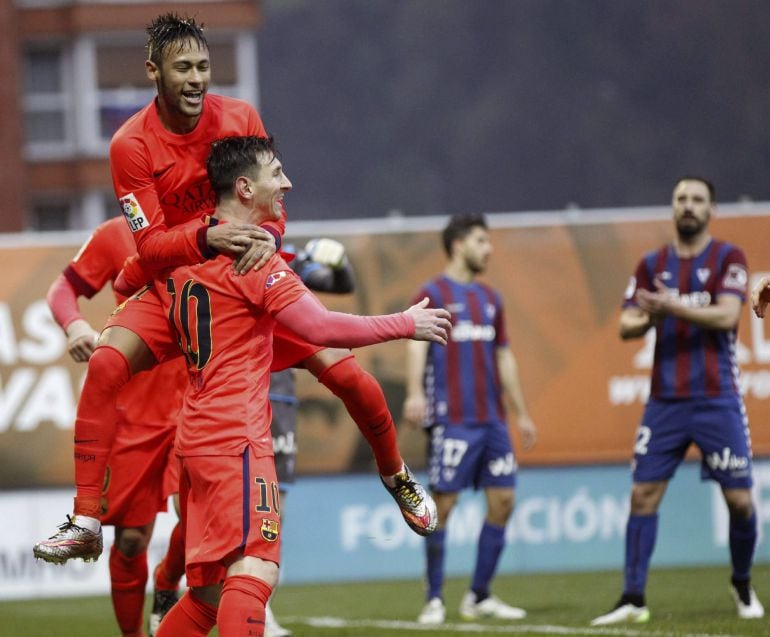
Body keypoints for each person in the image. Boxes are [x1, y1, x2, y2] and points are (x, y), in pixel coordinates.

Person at [33, 12, 436, 566]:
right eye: (183, 68)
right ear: (154, 71)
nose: (197, 78)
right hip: (181, 289)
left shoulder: (240, 117)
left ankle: (395, 474)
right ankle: (84, 519)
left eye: (203, 65)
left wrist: (265, 238)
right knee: (105, 364)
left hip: (244, 278)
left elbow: (273, 196)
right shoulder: (130, 145)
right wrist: (209, 237)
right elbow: (149, 251)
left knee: (351, 380)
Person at [153, 135, 451, 637]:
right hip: (236, 440)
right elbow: (318, 327)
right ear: (244, 187)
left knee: (206, 597)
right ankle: (394, 474)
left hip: (197, 437)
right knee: (257, 569)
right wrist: (404, 323)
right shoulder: (253, 258)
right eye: (276, 172)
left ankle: (395, 474)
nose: (287, 181)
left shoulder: (186, 254)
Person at [591, 176, 764, 626]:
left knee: (741, 502)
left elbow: (728, 314)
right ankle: (633, 597)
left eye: (697, 200)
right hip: (664, 402)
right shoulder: (652, 263)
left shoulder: (729, 258)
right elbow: (626, 326)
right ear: (672, 208)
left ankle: (742, 581)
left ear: (711, 210)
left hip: (717, 399)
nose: (688, 206)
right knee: (642, 494)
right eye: (681, 199)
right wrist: (652, 312)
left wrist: (670, 307)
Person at [45, 217, 187, 637]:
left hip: (198, 396)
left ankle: (167, 581)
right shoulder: (115, 234)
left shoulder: (210, 226)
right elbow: (62, 290)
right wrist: (74, 325)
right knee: (130, 542)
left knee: (195, 515)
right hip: (135, 409)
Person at [403, 212, 537, 625]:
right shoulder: (433, 292)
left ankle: (479, 595)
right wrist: (413, 393)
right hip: (453, 420)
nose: (489, 249)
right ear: (458, 244)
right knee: (443, 506)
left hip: (493, 422)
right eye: (481, 241)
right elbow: (415, 344)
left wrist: (521, 413)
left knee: (504, 501)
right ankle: (435, 598)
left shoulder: (490, 298)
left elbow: (503, 355)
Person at [265, 238, 355, 637]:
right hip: (231, 393)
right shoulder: (223, 247)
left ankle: (261, 609)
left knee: (274, 510)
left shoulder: (286, 261)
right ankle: (186, 592)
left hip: (280, 395)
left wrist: (337, 260)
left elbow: (341, 285)